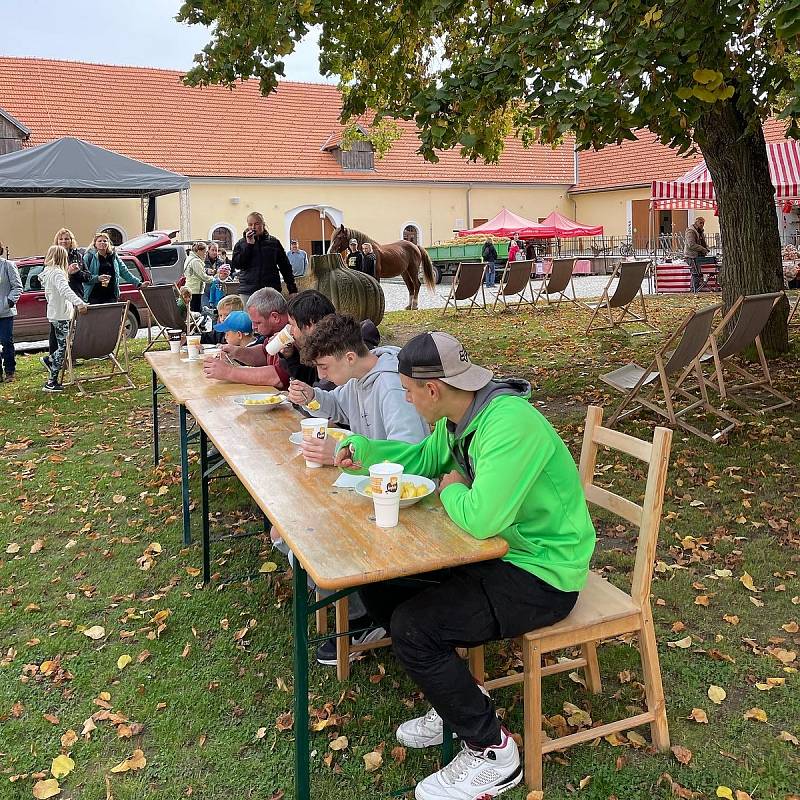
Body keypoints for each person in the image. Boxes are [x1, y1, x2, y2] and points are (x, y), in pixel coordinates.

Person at [335, 331, 596, 800]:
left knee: (415, 628)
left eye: (408, 391)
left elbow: (481, 518)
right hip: (496, 555)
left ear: (432, 389)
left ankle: (491, 750)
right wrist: (365, 452)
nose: (407, 400)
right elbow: (421, 459)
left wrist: (450, 487)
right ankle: (462, 697)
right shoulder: (456, 418)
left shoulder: (508, 425)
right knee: (382, 591)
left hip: (544, 572)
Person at [286, 314, 429, 666]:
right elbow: (335, 404)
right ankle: (354, 607)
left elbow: (411, 450)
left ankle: (364, 616)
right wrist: (313, 397)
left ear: (349, 357)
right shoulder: (358, 378)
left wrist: (342, 458)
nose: (321, 375)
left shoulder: (391, 387)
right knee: (298, 526)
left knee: (322, 535)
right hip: (374, 487)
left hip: (405, 498)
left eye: (324, 367)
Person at [202, 287, 290, 387]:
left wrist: (228, 372)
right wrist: (236, 352)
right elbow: (265, 353)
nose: (253, 327)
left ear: (275, 317)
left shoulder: (291, 333)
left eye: (257, 322)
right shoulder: (272, 332)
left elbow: (278, 377)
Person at [40, 245, 89, 392]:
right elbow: (65, 290)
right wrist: (80, 303)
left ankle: (50, 361)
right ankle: (51, 381)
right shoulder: (57, 273)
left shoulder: (48, 271)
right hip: (61, 314)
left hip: (55, 313)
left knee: (64, 345)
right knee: (63, 347)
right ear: (62, 258)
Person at [43, 228, 91, 370]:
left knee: (72, 331)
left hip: (75, 295)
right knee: (58, 334)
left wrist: (77, 273)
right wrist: (67, 273)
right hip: (61, 303)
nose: (64, 241)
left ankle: (67, 358)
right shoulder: (54, 262)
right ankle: (54, 360)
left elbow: (87, 276)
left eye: (67, 239)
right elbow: (55, 284)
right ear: (57, 242)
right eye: (61, 239)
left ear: (71, 241)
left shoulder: (78, 255)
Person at [231, 212, 297, 302]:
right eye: (250, 224)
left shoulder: (274, 242)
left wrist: (292, 289)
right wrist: (249, 245)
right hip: (248, 290)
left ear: (263, 224)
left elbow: (285, 266)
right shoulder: (241, 243)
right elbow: (238, 265)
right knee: (249, 316)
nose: (253, 227)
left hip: (271, 289)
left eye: (257, 224)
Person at [83, 232, 145, 304]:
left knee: (112, 315)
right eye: (99, 241)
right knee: (98, 315)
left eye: (105, 241)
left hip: (111, 295)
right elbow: (84, 277)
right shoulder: (89, 257)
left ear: (108, 243)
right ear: (95, 244)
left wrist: (139, 284)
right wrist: (98, 278)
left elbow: (125, 272)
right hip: (94, 296)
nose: (102, 242)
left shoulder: (113, 256)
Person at [0, 240, 22, 384]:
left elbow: (17, 287)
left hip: (5, 312)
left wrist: (8, 302)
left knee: (6, 341)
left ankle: (10, 371)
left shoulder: (7, 265)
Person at [184, 242, 214, 312]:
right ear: (199, 251)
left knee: (193, 311)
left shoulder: (190, 258)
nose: (205, 254)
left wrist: (206, 271)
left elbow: (195, 272)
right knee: (196, 312)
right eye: (204, 252)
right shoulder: (195, 261)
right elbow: (203, 277)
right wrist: (214, 279)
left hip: (191, 288)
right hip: (195, 290)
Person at [684, 216, 710, 293]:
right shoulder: (691, 231)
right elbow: (691, 244)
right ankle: (694, 290)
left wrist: (706, 248)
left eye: (703, 223)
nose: (702, 224)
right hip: (691, 256)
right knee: (695, 273)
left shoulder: (700, 231)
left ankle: (696, 289)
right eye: (700, 223)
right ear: (696, 223)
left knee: (697, 273)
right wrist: (703, 249)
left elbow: (702, 243)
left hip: (697, 256)